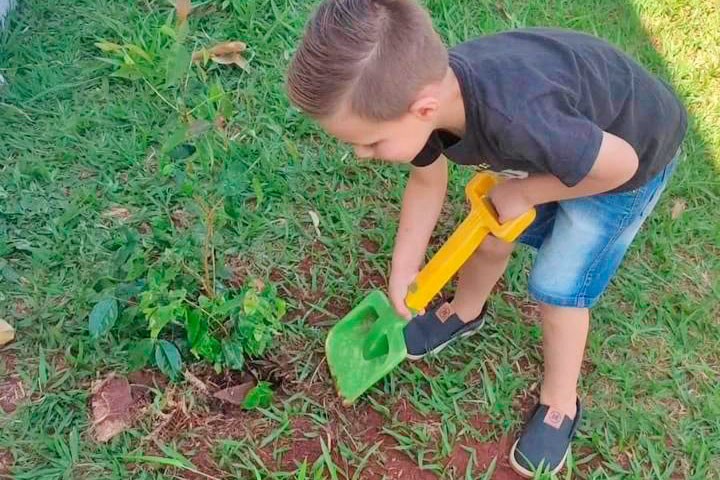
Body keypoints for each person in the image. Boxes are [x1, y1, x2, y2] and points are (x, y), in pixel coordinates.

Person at [286, 0, 687, 476]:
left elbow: (620, 166)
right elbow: (427, 181)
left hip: (626, 160)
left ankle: (560, 401)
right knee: (489, 231)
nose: (360, 154)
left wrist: (528, 191)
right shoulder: (431, 99)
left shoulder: (517, 116)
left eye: (370, 142)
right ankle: (465, 311)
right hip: (568, 135)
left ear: (423, 109)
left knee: (559, 287)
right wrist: (403, 268)